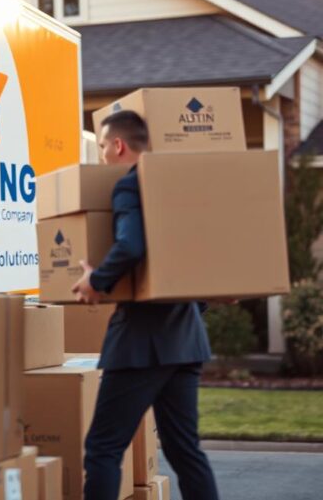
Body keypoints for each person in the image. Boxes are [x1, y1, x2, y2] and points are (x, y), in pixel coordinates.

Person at [71, 110, 219, 500]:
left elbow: (132, 245)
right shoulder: (181, 189)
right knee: (186, 452)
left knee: (102, 449)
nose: (101, 155)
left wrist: (95, 281)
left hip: (141, 343)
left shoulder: (130, 184)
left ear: (118, 145)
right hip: (186, 338)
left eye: (102, 147)